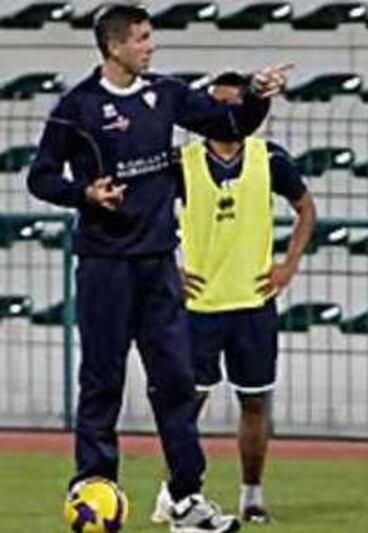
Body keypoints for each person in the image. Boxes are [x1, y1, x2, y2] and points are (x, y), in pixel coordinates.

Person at [26, 5, 291, 532]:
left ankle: (186, 498)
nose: (151, 46)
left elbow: (230, 121)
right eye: (143, 38)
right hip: (105, 266)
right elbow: (40, 177)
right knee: (102, 379)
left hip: (157, 267)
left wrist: (259, 94)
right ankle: (94, 484)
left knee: (175, 381)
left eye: (151, 37)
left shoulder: (165, 94)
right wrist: (84, 194)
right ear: (114, 46)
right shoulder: (77, 107)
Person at [150, 71, 316, 526]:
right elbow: (149, 214)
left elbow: (306, 209)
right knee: (187, 406)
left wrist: (288, 265)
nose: (220, 115)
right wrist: (170, 268)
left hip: (253, 303)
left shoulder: (270, 158)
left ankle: (252, 494)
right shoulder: (181, 162)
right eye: (213, 104)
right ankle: (176, 493)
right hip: (200, 306)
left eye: (230, 104)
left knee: (255, 402)